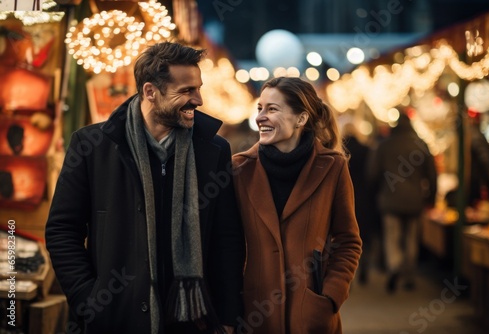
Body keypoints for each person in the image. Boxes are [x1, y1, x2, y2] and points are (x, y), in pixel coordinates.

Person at [45, 42, 245, 334]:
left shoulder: (213, 150)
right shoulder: (92, 147)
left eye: (198, 88)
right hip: (116, 319)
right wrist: (88, 300)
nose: (199, 100)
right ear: (150, 92)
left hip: (194, 321)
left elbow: (227, 240)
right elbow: (62, 230)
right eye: (187, 90)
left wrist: (227, 317)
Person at [232, 77, 362, 334]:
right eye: (260, 108)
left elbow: (348, 241)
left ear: (301, 119)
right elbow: (225, 243)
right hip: (253, 314)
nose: (260, 117)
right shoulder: (239, 169)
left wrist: (330, 297)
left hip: (311, 316)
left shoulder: (333, 167)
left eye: (272, 109)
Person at [367, 110, 437, 293]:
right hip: (415, 200)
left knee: (392, 236)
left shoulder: (385, 145)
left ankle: (394, 267)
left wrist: (376, 194)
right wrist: (432, 198)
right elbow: (432, 174)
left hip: (389, 199)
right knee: (411, 238)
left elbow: (372, 174)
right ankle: (409, 274)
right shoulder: (420, 145)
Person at [343, 124, 379, 285]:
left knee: (345, 236)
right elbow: (373, 175)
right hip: (364, 198)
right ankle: (364, 266)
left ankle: (347, 273)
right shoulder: (367, 150)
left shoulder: (339, 153)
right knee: (364, 236)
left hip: (345, 198)